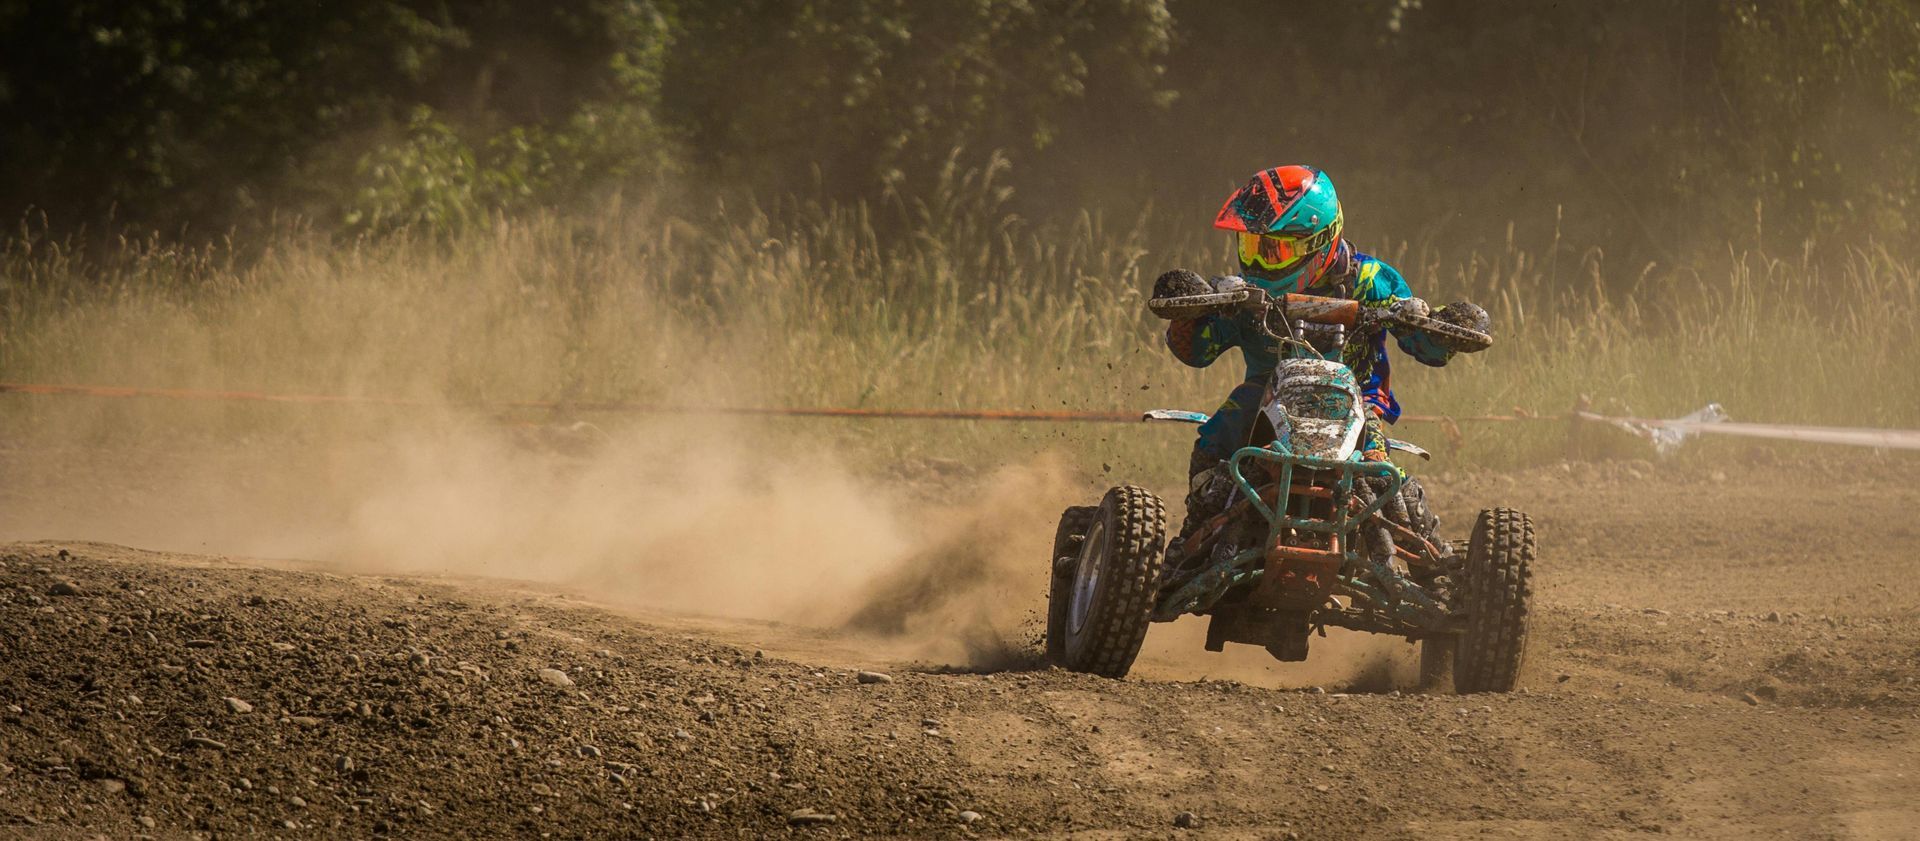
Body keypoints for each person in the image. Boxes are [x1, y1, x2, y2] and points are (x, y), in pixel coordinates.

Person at [1156, 165, 1484, 543]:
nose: (1260, 263)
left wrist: (1438, 327)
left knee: (1382, 477)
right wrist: (1192, 317)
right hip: (1267, 396)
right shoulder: (1248, 294)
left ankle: (1432, 562)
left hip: (1355, 402)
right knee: (1220, 433)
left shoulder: (1371, 280)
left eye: (1275, 250)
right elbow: (1197, 352)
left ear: (1319, 241)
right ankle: (1195, 534)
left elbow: (1424, 347)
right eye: (1252, 248)